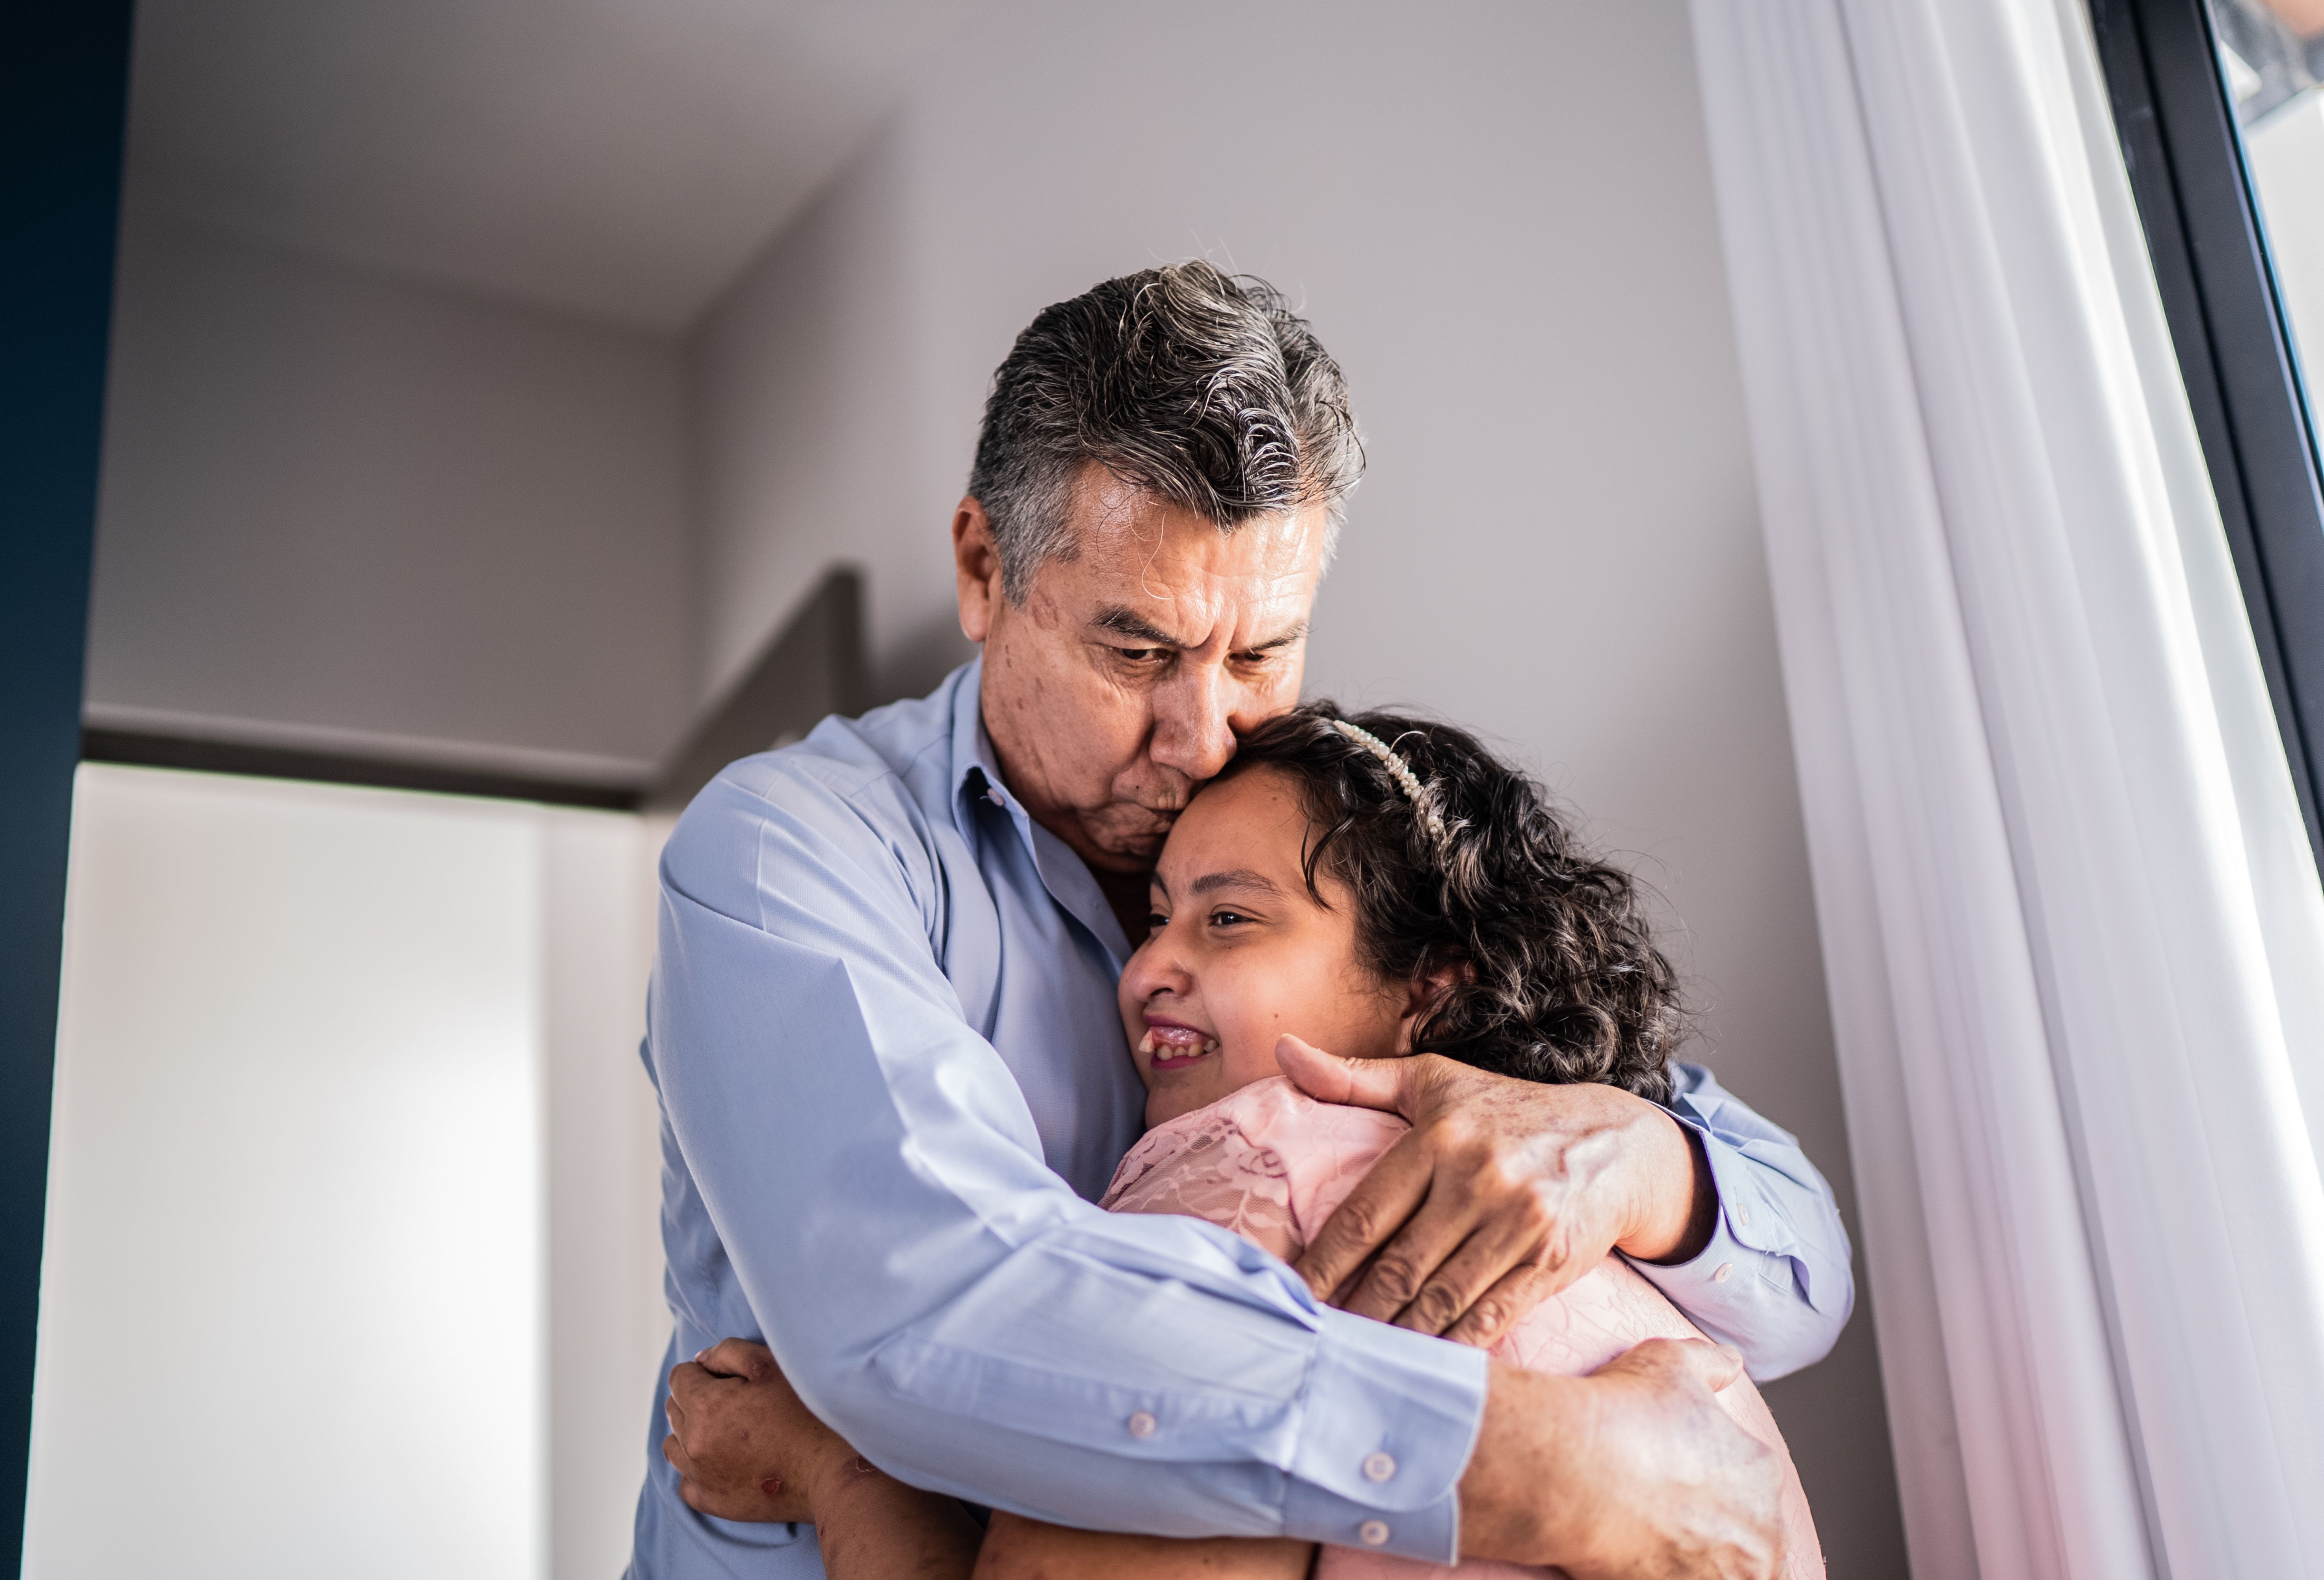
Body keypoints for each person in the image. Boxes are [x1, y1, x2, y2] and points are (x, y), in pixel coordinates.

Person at [636, 262, 1852, 1579]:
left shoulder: (1336, 845)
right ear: (986, 571)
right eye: (1140, 655)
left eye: (1261, 656)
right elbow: (940, 1309)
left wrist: (1633, 1161)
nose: (1203, 733)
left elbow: (1803, 1277)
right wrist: (1541, 1467)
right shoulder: (788, 855)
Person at [652, 702, 1829, 1580]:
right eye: (1159, 918)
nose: (1151, 966)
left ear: (1428, 993)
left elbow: (1801, 1260)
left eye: (1229, 921)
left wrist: (835, 1470)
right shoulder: (1580, 1207)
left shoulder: (1255, 1169)